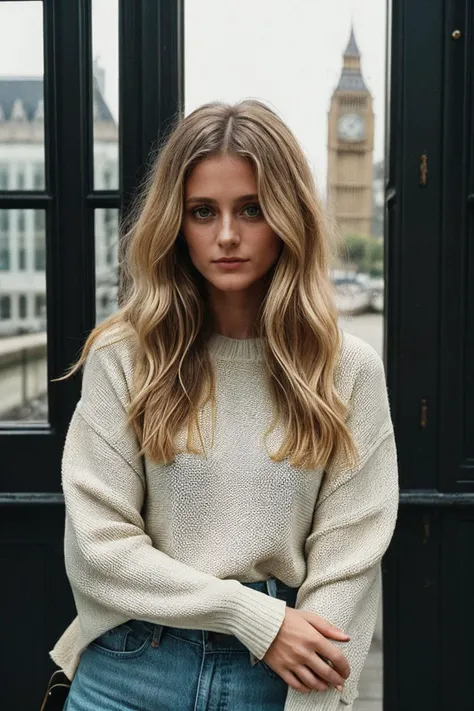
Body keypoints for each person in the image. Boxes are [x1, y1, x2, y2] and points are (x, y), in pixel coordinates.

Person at [50, 99, 399, 711]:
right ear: (176, 222)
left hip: (280, 680)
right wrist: (252, 616)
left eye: (253, 210)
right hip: (132, 670)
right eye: (203, 212)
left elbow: (350, 558)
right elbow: (98, 547)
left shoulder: (346, 370)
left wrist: (314, 701)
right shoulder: (125, 357)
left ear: (288, 217)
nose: (228, 235)